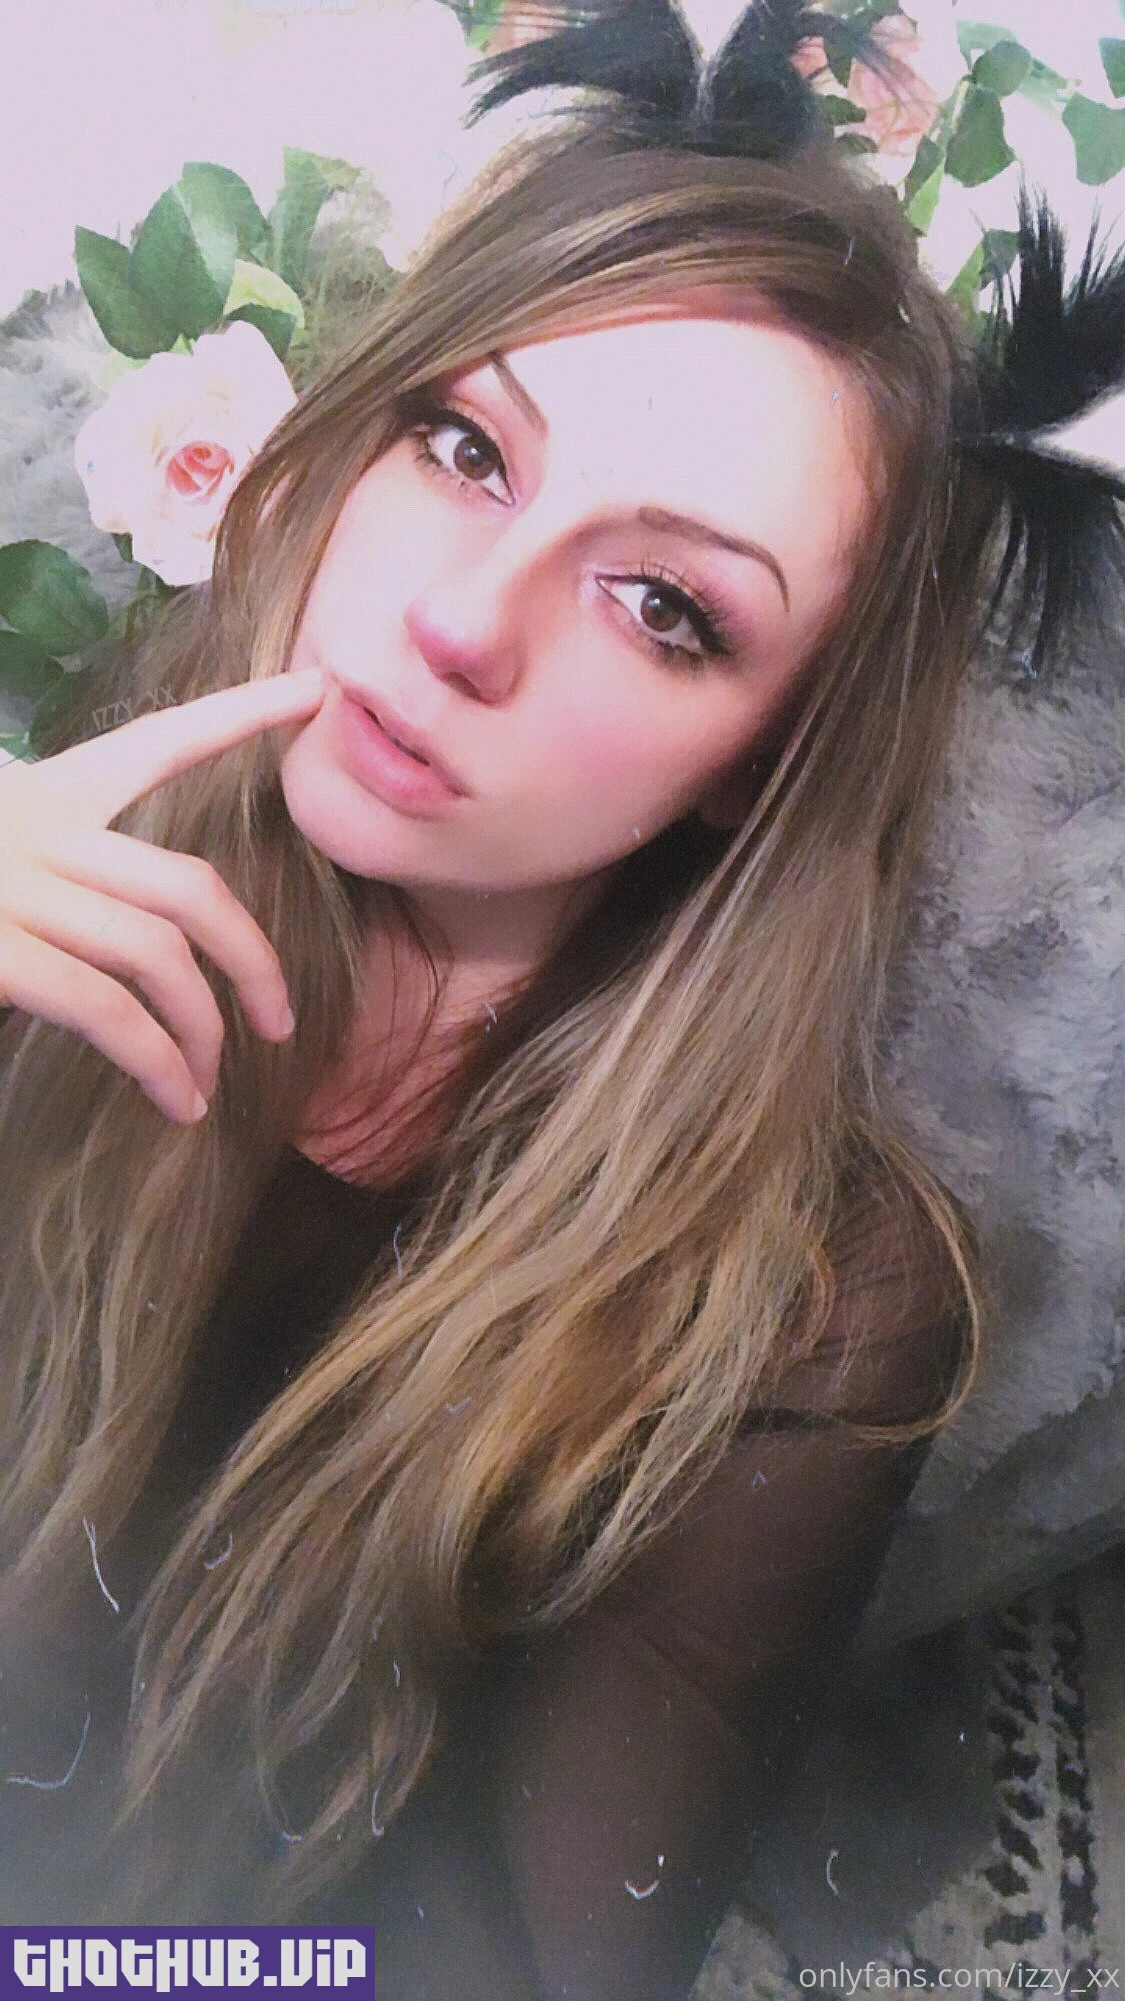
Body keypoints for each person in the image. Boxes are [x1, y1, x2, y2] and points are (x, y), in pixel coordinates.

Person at [0, 1, 1121, 1993]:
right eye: (464, 448)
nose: (456, 620)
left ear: (762, 767)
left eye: (666, 605)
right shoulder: (104, 822)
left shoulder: (810, 1303)